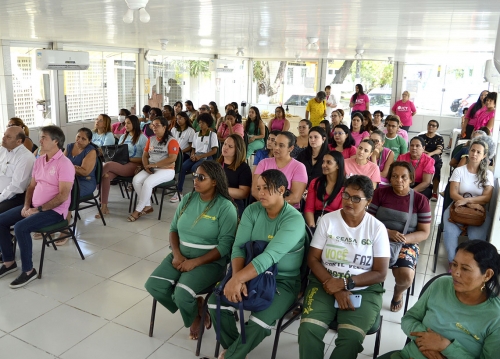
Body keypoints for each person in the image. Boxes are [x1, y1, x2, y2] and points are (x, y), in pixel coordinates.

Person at [209, 169, 306, 359]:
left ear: (281, 190)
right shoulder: (253, 210)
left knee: (259, 322)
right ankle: (236, 351)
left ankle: (231, 355)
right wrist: (238, 279)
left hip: (282, 281)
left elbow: (269, 257)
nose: (260, 193)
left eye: (266, 188)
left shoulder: (294, 220)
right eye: (258, 188)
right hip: (248, 272)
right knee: (216, 304)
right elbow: (238, 248)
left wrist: (237, 279)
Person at [298, 175, 390, 359]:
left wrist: (345, 284)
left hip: (363, 289)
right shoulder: (328, 220)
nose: (349, 201)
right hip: (324, 282)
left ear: (368, 202)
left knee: (351, 339)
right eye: (346, 195)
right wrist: (334, 287)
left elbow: (380, 273)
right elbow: (313, 259)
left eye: (356, 198)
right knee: (308, 330)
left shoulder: (377, 228)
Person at [145, 161, 237, 341]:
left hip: (209, 262)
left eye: (201, 177)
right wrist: (177, 254)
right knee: (153, 285)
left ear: (214, 181)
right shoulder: (187, 199)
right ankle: (197, 309)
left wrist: (195, 262)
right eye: (195, 175)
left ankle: (195, 316)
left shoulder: (226, 207)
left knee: (181, 294)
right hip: (180, 255)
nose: (195, 180)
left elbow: (225, 247)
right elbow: (173, 230)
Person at [378, 240, 500, 359]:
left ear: (487, 275)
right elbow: (409, 319)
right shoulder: (441, 284)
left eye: (465, 269)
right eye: (455, 264)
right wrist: (427, 340)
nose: (455, 273)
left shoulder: (495, 317)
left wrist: (445, 347)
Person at [0, 126, 75, 288]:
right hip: (34, 206)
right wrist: (27, 206)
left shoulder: (65, 164)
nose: (39, 141)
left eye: (44, 138)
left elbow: (62, 196)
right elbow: (31, 187)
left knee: (20, 227)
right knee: (0, 221)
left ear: (56, 141)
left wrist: (38, 210)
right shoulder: (40, 160)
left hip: (55, 211)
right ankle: (9, 262)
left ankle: (28, 270)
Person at [368, 162, 431, 312]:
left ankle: (397, 293)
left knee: (406, 276)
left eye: (404, 177)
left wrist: (404, 239)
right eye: (395, 176)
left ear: (411, 179)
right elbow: (369, 220)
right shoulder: (380, 193)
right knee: (361, 263)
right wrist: (387, 233)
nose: (399, 180)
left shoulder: (420, 200)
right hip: (378, 237)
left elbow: (424, 232)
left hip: (406, 241)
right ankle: (369, 295)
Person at [443, 138, 494, 266]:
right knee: (450, 234)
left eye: (478, 152)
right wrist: (469, 202)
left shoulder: (488, 174)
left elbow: (487, 198)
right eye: (472, 150)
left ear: (484, 155)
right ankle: (453, 264)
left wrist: (468, 201)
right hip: (457, 208)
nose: (474, 154)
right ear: (468, 151)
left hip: (478, 212)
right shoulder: (459, 171)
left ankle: (471, 266)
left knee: (476, 240)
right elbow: (453, 194)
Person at [128, 117, 179, 221]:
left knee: (147, 183)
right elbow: (145, 155)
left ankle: (138, 210)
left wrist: (155, 165)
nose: (154, 127)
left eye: (157, 125)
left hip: (167, 170)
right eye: (153, 125)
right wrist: (146, 166)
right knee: (136, 180)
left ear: (164, 127)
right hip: (151, 168)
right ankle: (147, 206)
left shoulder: (172, 141)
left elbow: (172, 158)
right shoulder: (151, 139)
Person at [98, 115, 148, 218]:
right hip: (121, 164)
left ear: (135, 124)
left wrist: (130, 159)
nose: (126, 125)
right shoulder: (123, 136)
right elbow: (119, 152)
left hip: (134, 165)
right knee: (105, 176)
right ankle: (104, 207)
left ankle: (93, 180)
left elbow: (146, 158)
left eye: (128, 123)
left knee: (107, 165)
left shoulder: (142, 138)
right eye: (125, 123)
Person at [253, 132, 307, 209]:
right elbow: (255, 190)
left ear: (291, 148)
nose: (276, 148)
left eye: (281, 145)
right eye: (275, 144)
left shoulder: (299, 167)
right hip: (264, 207)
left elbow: (295, 197)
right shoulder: (263, 163)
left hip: (287, 210)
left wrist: (272, 204)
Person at [173, 113, 218, 203]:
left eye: (203, 123)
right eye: (199, 123)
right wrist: (193, 155)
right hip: (196, 155)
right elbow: (193, 148)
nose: (200, 125)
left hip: (207, 157)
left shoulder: (212, 135)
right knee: (182, 167)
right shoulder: (197, 134)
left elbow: (214, 151)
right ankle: (179, 191)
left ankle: (196, 192)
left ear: (208, 123)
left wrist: (200, 156)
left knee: (195, 169)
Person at [304, 151, 345, 230]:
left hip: (334, 225)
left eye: (329, 162)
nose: (323, 165)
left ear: (338, 166)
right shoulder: (315, 183)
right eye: (323, 162)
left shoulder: (346, 187)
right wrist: (312, 228)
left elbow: (342, 214)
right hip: (315, 221)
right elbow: (309, 209)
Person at [0, 127, 35, 214]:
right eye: (4, 135)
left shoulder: (25, 157)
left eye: (8, 137)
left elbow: (16, 187)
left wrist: (0, 197)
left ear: (18, 141)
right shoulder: (2, 149)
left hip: (15, 196)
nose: (3, 138)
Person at [218, 134, 252, 217]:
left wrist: (219, 189)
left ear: (237, 150)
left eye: (230, 146)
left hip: (234, 202)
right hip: (215, 199)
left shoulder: (243, 168)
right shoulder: (217, 164)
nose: (225, 147)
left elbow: (244, 193)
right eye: (225, 144)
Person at [64, 127, 97, 199]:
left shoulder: (91, 151)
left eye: (83, 139)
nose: (79, 140)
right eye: (78, 137)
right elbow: (60, 164)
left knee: (65, 192)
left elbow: (84, 172)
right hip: (69, 179)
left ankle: (68, 209)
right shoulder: (69, 147)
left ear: (89, 141)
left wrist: (69, 167)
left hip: (85, 181)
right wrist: (75, 167)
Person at [419, 120, 444, 201]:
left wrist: (430, 154)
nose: (431, 127)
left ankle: (434, 192)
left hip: (435, 158)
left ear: (437, 128)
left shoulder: (439, 138)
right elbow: (419, 149)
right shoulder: (421, 137)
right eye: (429, 125)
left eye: (433, 125)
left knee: (437, 168)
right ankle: (421, 187)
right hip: (422, 157)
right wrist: (427, 154)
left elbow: (439, 150)